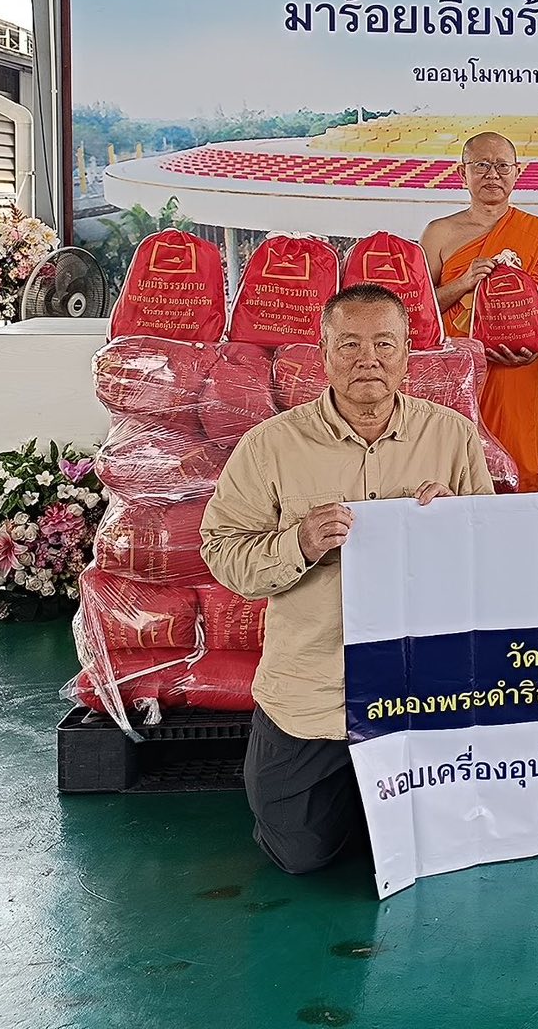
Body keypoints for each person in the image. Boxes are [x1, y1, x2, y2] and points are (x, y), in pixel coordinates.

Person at [201, 284, 494, 875]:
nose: (369, 360)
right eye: (350, 344)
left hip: (421, 689)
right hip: (313, 692)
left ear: (409, 352)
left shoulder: (452, 435)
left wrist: (455, 523)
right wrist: (300, 543)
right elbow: (223, 553)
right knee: (300, 855)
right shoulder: (270, 446)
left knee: (442, 850)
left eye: (385, 343)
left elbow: (489, 550)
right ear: (322, 351)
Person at [422, 131, 538, 493]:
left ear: (516, 173)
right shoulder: (439, 233)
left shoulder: (537, 232)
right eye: (481, 165)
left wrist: (530, 335)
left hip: (519, 373)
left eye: (502, 166)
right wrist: (463, 282)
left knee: (520, 479)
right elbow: (419, 311)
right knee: (455, 471)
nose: (493, 174)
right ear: (463, 174)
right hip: (457, 374)